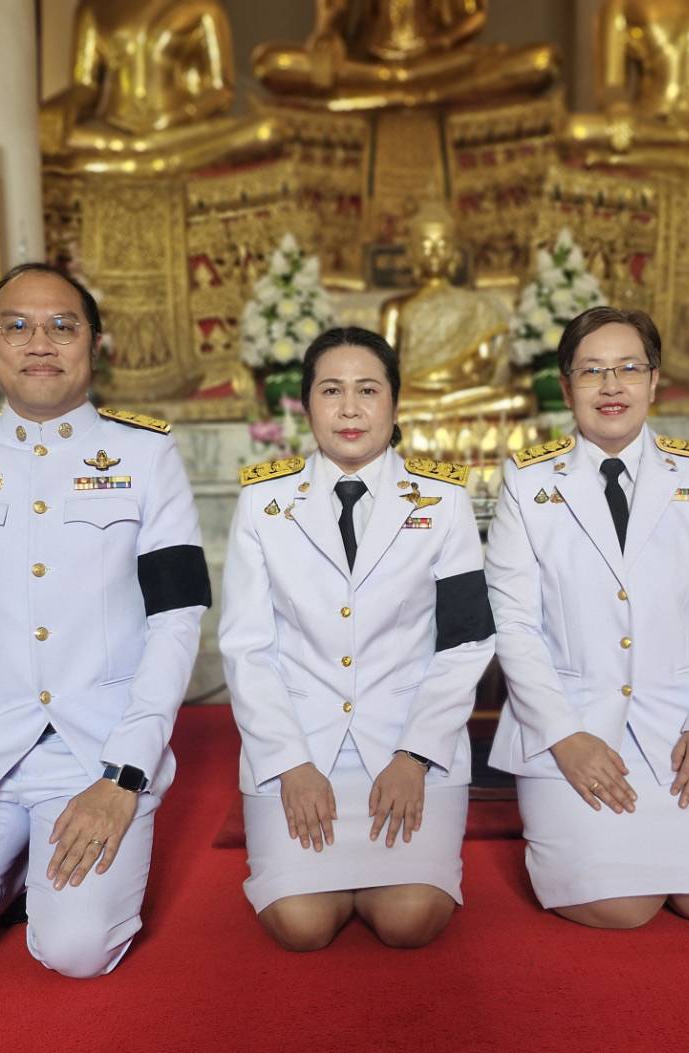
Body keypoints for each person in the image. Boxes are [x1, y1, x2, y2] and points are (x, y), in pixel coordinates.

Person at [0, 263, 210, 982]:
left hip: (96, 750)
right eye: (16, 325)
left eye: (62, 325)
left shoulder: (148, 455)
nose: (39, 341)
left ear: (94, 344)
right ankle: (12, 868)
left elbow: (177, 618)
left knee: (77, 952)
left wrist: (126, 774)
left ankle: (34, 875)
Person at [486, 305, 689, 929]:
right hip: (573, 722)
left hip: (687, 719)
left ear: (655, 382)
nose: (611, 385)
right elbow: (511, 621)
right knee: (619, 907)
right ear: (566, 385)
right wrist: (563, 736)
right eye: (591, 370)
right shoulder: (527, 480)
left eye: (629, 367)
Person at [219, 326, 495, 951]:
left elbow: (466, 640)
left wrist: (416, 754)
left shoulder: (442, 500)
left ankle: (376, 871)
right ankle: (323, 873)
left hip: (407, 744)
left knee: (410, 922)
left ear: (395, 404)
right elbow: (246, 648)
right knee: (302, 927)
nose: (349, 409)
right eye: (331, 391)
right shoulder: (264, 502)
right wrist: (290, 763)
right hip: (298, 743)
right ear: (307, 404)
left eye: (368, 390)